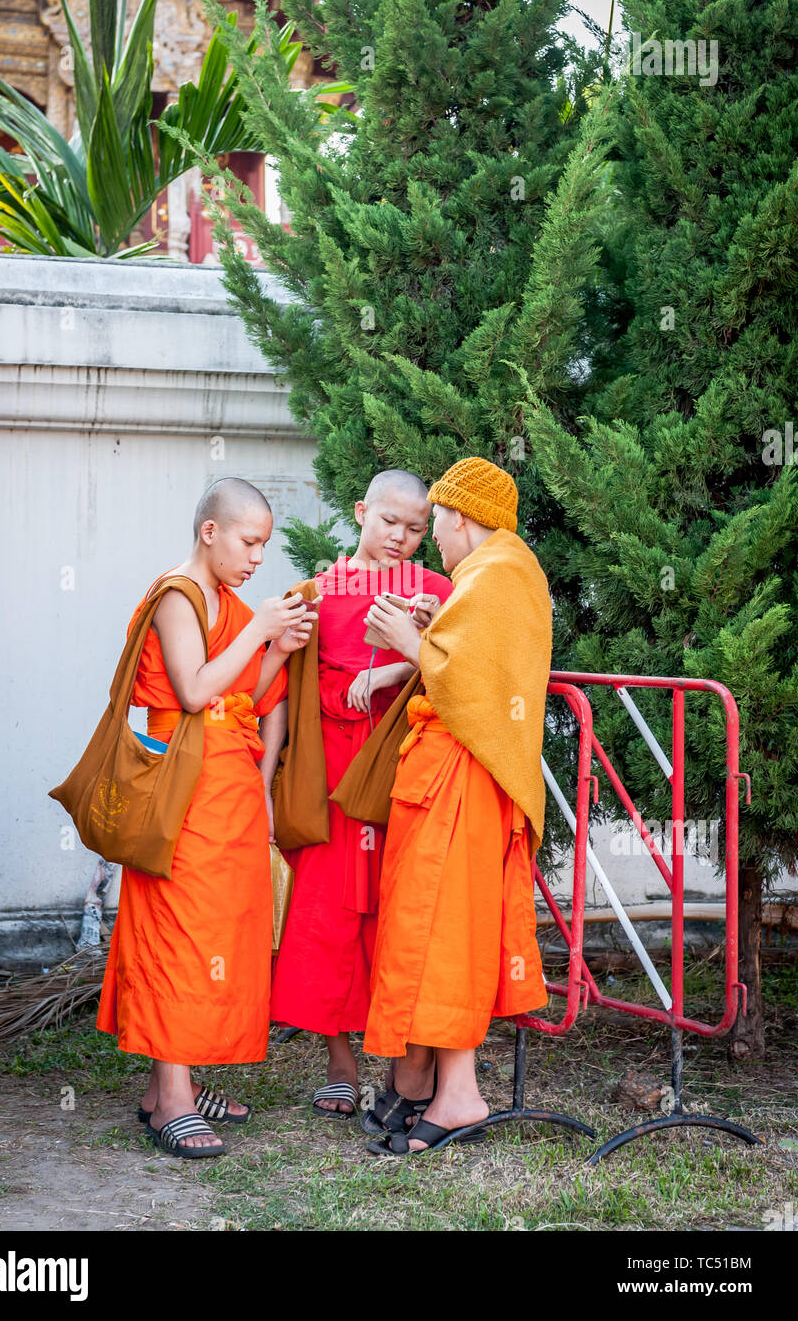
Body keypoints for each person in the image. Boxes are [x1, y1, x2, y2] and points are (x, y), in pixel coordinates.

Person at [96, 477, 316, 1158]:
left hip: (225, 783)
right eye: (249, 542)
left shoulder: (224, 602)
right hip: (183, 783)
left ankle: (169, 1090)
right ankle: (175, 1101)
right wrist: (260, 628)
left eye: (264, 546)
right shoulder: (177, 595)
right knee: (178, 931)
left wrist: (275, 649)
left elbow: (238, 697)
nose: (256, 558)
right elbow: (192, 691)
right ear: (210, 532)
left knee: (218, 933)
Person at [354, 457, 552, 1155]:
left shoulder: (500, 572)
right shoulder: (489, 572)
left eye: (434, 520)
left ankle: (458, 1093)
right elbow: (476, 663)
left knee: (445, 932)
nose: (431, 537)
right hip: (444, 777)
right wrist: (430, 629)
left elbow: (477, 690)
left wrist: (406, 642)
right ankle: (423, 1082)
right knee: (430, 927)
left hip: (464, 778)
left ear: (458, 516)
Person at [266, 470, 454, 1118]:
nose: (400, 538)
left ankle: (404, 1067)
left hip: (404, 781)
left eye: (415, 528)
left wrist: (403, 661)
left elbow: (461, 669)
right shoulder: (317, 593)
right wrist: (268, 789)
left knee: (397, 918)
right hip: (329, 785)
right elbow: (283, 696)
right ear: (360, 513)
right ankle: (340, 1063)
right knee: (326, 919)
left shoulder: (437, 592)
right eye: (388, 523)